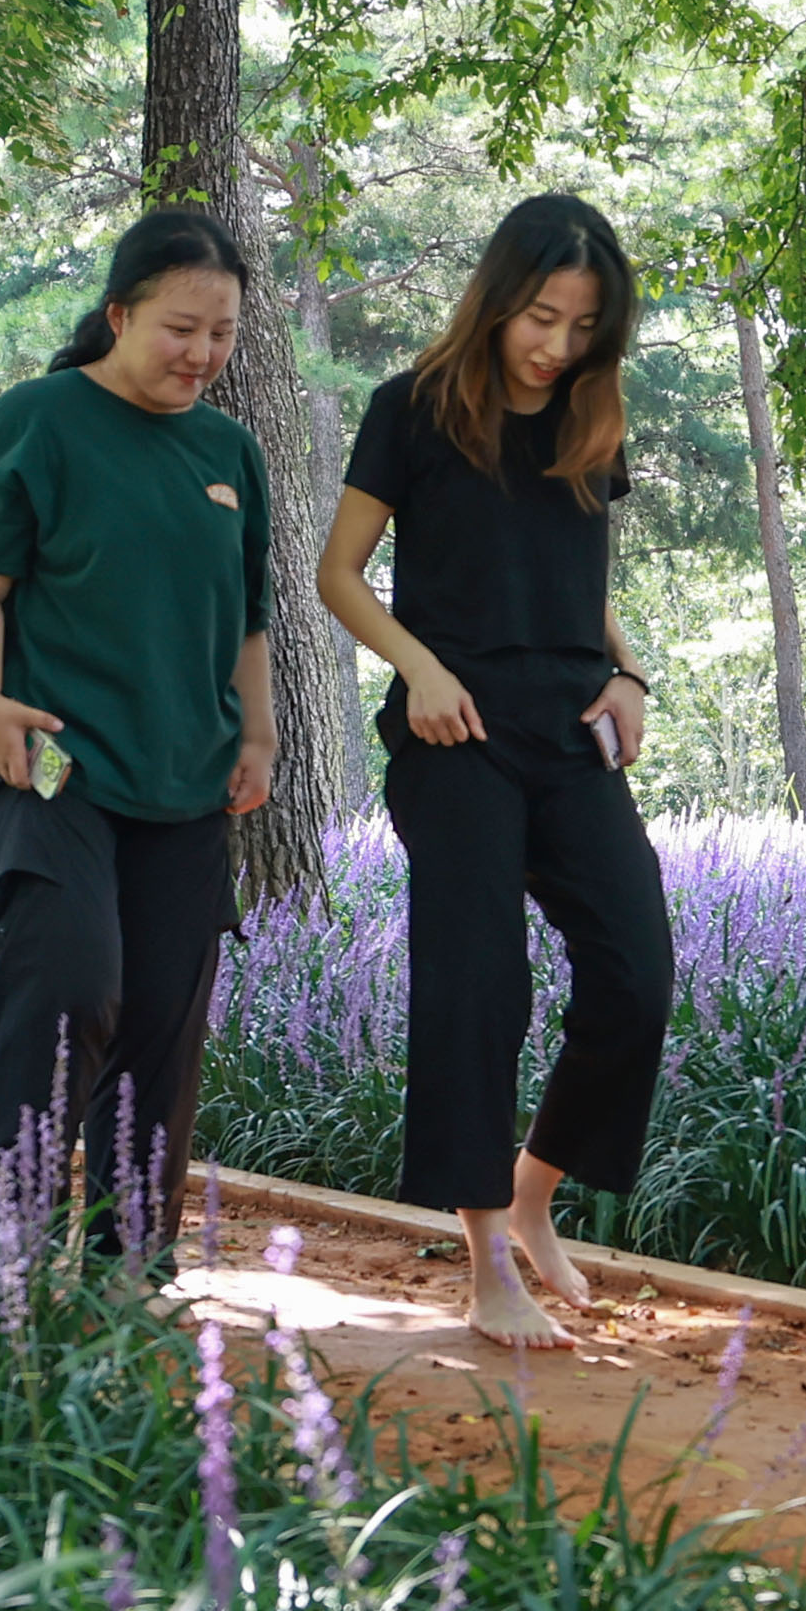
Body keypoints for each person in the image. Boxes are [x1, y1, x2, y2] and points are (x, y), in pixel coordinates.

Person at [316, 190, 672, 1341]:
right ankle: (485, 1262)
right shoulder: (410, 410)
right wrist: (418, 670)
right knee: (480, 981)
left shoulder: (590, 421)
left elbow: (574, 581)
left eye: (580, 325)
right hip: (452, 731)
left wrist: (631, 677)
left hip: (570, 730)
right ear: (495, 297)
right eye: (539, 315)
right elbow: (340, 573)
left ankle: (534, 1197)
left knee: (635, 969)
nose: (555, 344)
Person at [0, 206, 279, 1255]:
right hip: (50, 765)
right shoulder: (37, 418)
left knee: (164, 1021)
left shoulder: (228, 450)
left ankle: (131, 1262)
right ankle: (15, 1236)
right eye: (181, 326)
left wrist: (258, 735)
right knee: (72, 977)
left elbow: (246, 615)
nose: (202, 353)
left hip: (189, 771)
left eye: (221, 333)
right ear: (119, 313)